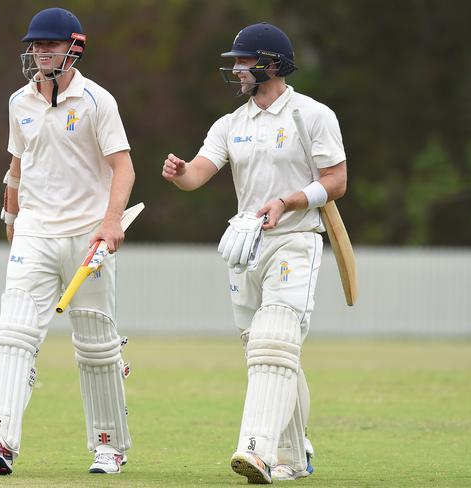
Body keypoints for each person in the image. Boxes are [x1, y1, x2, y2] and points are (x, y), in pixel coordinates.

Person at [162, 22, 347, 484]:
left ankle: (256, 452)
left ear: (272, 65)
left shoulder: (311, 115)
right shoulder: (231, 124)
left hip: (296, 239)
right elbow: (200, 173)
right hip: (247, 245)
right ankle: (296, 454)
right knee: (268, 356)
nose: (237, 69)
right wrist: (181, 172)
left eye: (244, 62)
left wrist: (289, 201)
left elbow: (337, 181)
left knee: (273, 345)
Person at [0, 7, 135, 476]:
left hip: (87, 234)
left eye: (49, 45)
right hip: (35, 233)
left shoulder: (97, 101)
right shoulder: (19, 102)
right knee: (13, 332)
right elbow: (18, 164)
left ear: (73, 48)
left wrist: (111, 222)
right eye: (35, 45)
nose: (39, 52)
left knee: (97, 346)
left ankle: (109, 446)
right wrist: (11, 214)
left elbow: (123, 166)